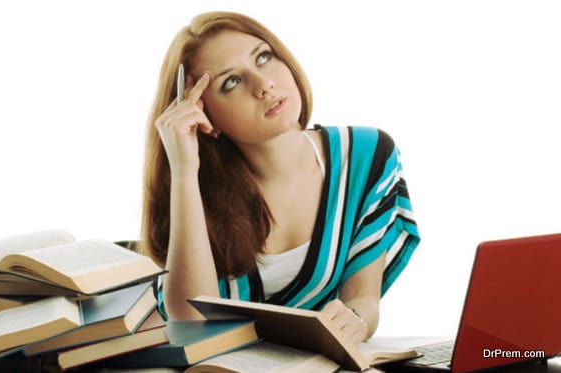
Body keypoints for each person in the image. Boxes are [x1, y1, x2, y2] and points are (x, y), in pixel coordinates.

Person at [141, 11, 420, 343]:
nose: (263, 85)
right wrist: (184, 171)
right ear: (205, 115)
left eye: (263, 57)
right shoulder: (196, 191)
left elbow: (363, 300)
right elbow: (190, 324)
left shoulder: (366, 157)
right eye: (231, 81)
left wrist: (357, 319)